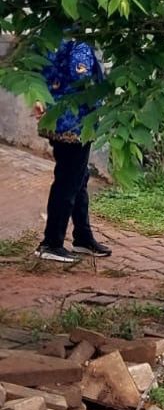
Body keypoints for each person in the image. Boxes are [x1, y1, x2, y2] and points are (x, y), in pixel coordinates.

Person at [34, 38, 111, 263]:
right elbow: (82, 78)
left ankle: (83, 238)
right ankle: (51, 243)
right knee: (68, 182)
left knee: (78, 179)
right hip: (75, 124)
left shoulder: (54, 39)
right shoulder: (79, 44)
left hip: (58, 121)